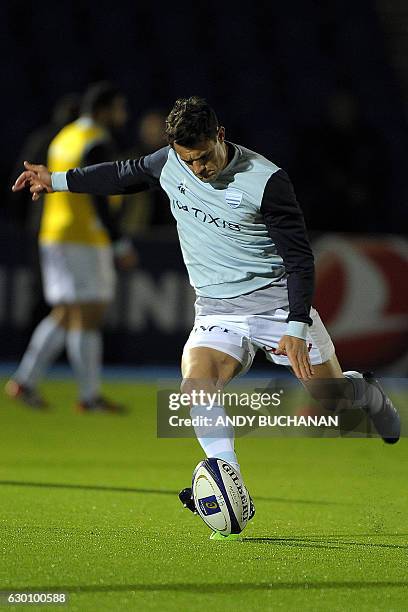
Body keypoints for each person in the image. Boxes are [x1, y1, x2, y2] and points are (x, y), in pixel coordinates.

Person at [12, 96, 400, 519]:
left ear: (220, 136)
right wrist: (58, 179)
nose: (198, 170)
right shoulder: (170, 162)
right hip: (217, 312)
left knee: (332, 402)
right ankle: (228, 483)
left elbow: (300, 260)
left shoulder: (265, 180)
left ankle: (366, 392)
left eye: (202, 158)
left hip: (276, 306)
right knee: (196, 388)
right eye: (188, 161)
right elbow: (123, 175)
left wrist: (296, 325)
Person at [6, 82, 136, 412]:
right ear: (104, 110)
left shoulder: (65, 136)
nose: (123, 115)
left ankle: (24, 380)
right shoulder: (96, 141)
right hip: (83, 236)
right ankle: (89, 396)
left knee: (65, 313)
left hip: (55, 233)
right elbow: (100, 196)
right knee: (87, 315)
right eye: (119, 108)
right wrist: (119, 242)